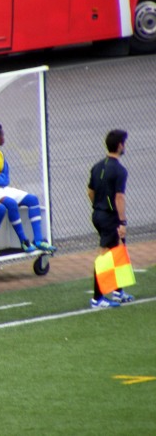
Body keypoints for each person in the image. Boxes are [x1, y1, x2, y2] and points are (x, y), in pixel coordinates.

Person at [0, 123, 56, 253]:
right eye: (2, 135)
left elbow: (6, 178)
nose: (4, 137)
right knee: (11, 203)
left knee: (32, 199)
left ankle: (38, 240)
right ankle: (23, 241)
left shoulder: (0, 154)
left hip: (3, 188)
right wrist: (0, 178)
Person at [87, 129, 134, 308]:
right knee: (105, 255)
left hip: (98, 213)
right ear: (120, 145)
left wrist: (98, 205)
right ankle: (97, 299)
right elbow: (119, 197)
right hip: (109, 217)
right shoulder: (120, 170)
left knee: (117, 250)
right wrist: (122, 222)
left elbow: (90, 191)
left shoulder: (97, 166)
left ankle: (117, 291)